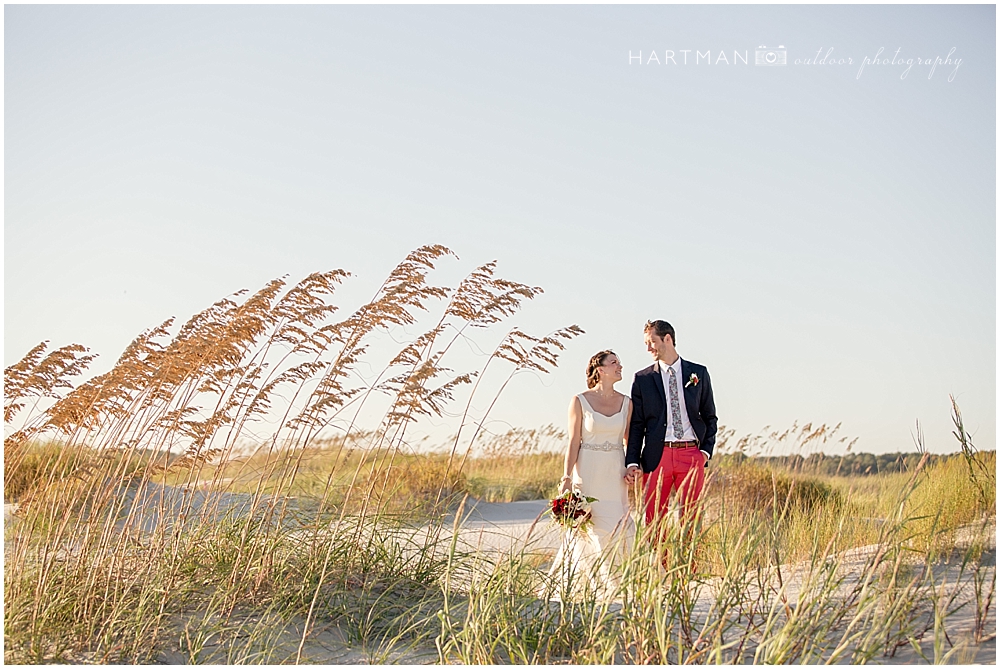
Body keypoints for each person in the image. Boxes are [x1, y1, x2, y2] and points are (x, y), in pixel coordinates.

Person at [549, 349, 636, 598]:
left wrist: (632, 467)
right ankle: (594, 585)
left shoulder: (627, 403)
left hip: (614, 471)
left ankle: (620, 584)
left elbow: (630, 441)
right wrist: (566, 478)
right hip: (587, 471)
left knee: (617, 523)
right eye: (614, 363)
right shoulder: (579, 401)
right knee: (590, 526)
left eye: (619, 362)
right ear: (600, 370)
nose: (620, 366)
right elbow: (573, 441)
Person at [624, 320, 717, 541]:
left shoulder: (698, 373)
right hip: (657, 456)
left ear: (667, 339)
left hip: (691, 455)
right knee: (654, 518)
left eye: (651, 342)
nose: (648, 348)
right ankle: (661, 570)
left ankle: (689, 572)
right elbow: (637, 425)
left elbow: (710, 416)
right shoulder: (643, 379)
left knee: (692, 517)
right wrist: (632, 461)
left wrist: (704, 451)